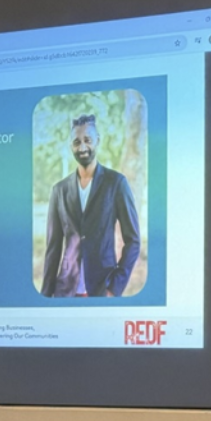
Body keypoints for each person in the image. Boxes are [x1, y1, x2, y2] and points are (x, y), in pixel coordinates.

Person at [41, 114, 140, 298]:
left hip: (102, 290)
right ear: (71, 145)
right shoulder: (59, 190)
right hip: (65, 292)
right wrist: (45, 298)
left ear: (98, 141)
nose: (82, 147)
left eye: (87, 140)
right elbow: (53, 248)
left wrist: (114, 288)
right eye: (76, 142)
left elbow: (133, 241)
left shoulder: (116, 183)